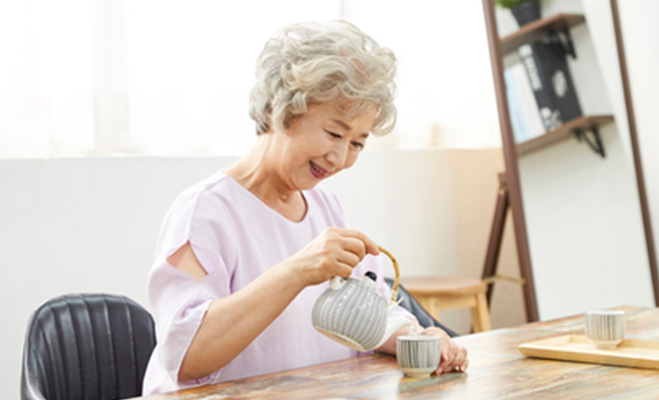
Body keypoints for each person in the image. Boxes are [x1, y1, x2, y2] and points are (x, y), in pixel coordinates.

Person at [142, 20, 468, 394]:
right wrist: (299, 270)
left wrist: (420, 336)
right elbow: (184, 355)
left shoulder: (325, 208)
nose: (341, 157)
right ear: (283, 109)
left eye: (358, 143)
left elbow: (367, 314)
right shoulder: (204, 213)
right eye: (334, 133)